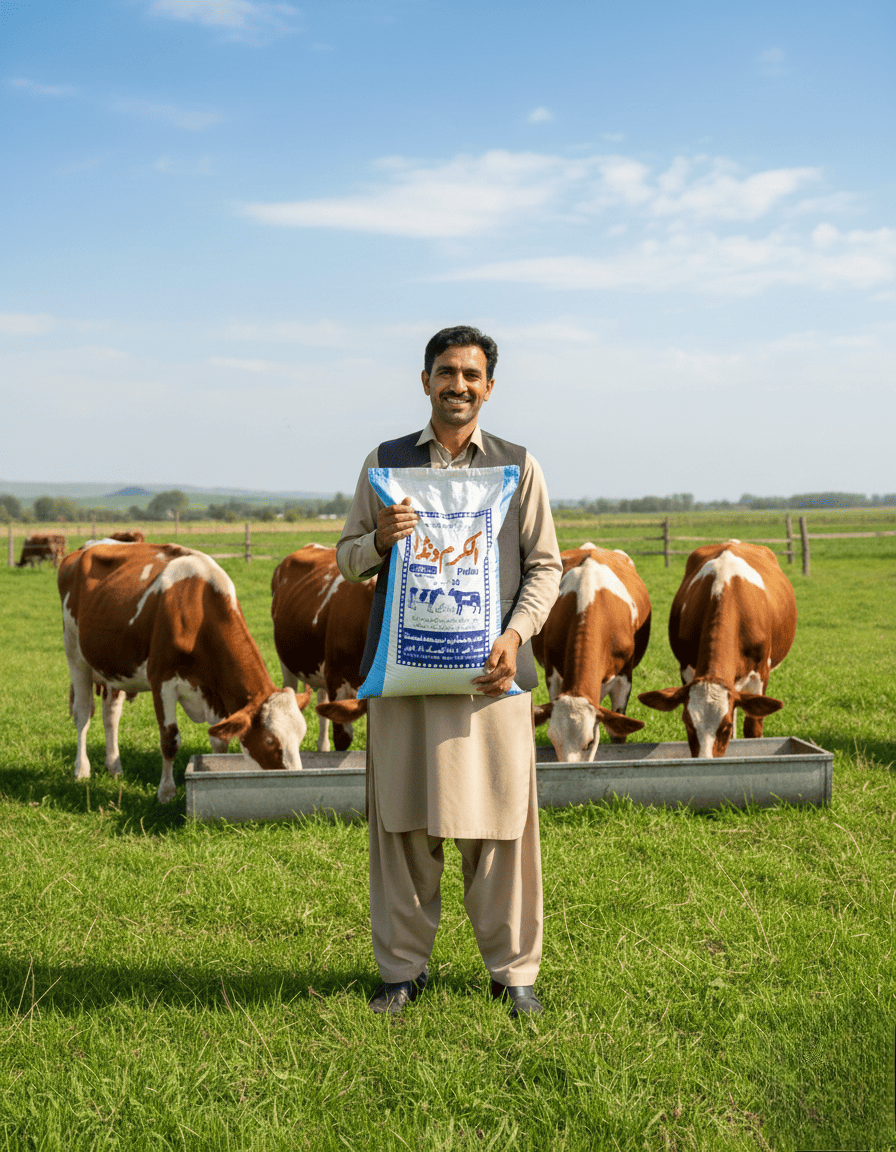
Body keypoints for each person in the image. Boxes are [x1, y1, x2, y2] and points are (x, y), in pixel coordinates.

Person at [336, 325, 562, 1017]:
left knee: (501, 826)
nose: (457, 385)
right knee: (401, 827)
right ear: (425, 380)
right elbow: (346, 559)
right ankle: (401, 972)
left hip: (491, 681)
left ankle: (514, 974)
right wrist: (379, 540)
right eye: (445, 372)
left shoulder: (518, 466)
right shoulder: (385, 463)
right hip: (403, 678)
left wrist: (515, 636)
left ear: (488, 387)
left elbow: (545, 566)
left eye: (470, 375)